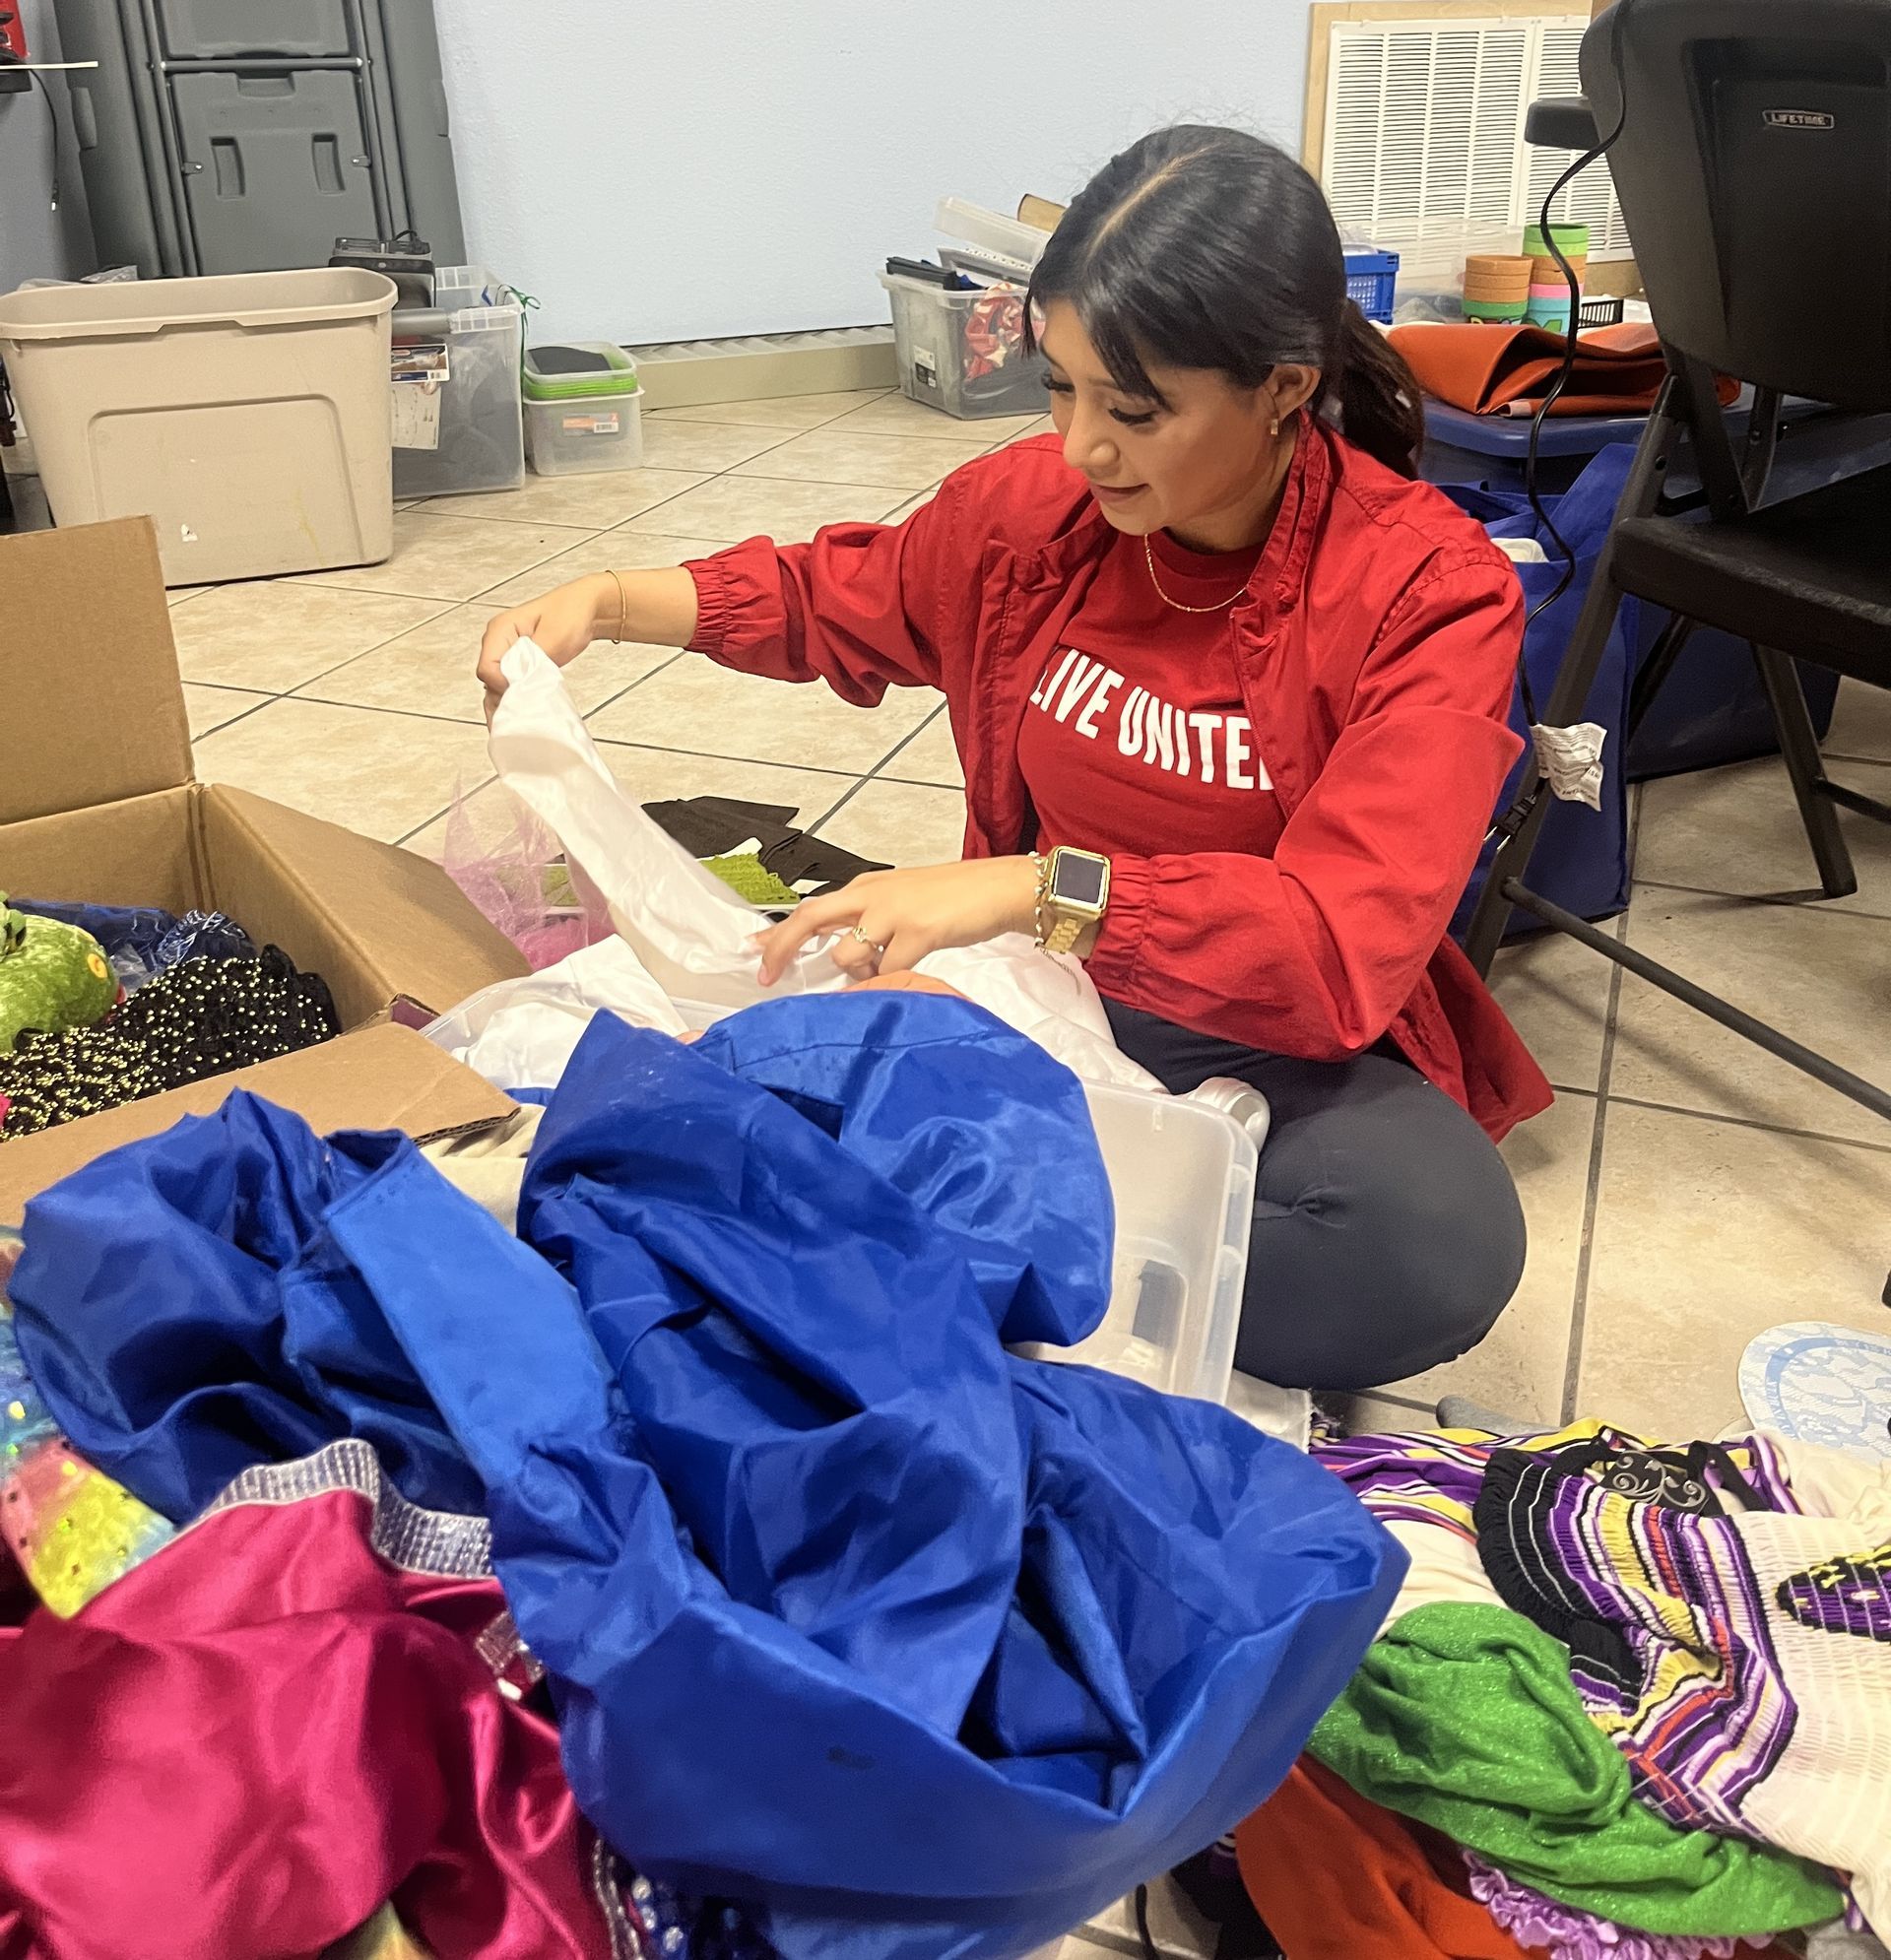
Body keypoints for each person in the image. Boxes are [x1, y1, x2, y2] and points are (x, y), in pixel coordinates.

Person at [478, 126, 1552, 1393]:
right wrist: (606, 600)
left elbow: (1332, 949)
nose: (1085, 446)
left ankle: (902, 1236)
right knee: (678, 996)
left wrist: (1037, 888)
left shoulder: (1429, 591)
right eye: (1061, 387)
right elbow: (847, 594)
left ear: (1281, 387)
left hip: (1257, 1029)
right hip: (1027, 989)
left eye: (1135, 408)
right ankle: (1012, 1249)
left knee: (1428, 1246)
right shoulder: (1037, 511)